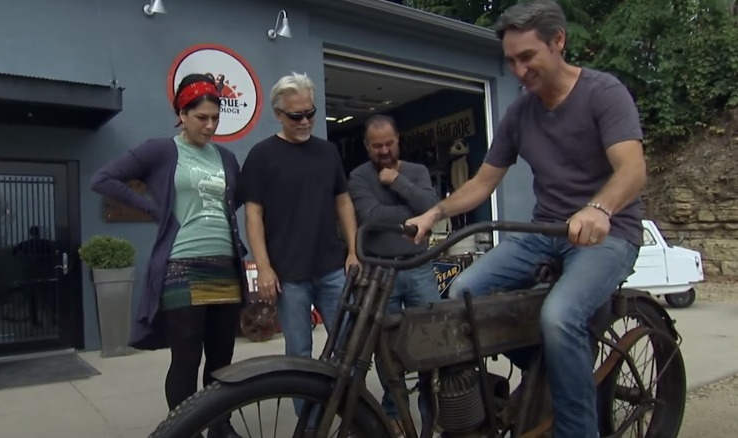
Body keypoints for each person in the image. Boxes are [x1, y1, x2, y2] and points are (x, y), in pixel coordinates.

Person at [404, 1, 647, 436]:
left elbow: (633, 169)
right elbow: (481, 183)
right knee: (461, 295)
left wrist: (599, 208)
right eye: (511, 61)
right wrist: (433, 213)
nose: (518, 71)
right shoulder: (519, 112)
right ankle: (551, 366)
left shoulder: (603, 92)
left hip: (607, 236)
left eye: (527, 57)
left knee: (559, 316)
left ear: (558, 42)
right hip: (543, 232)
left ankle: (576, 429)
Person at [90, 73, 246, 438]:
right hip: (182, 267)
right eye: (201, 118)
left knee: (222, 360)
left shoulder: (226, 156)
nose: (210, 126)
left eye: (215, 118)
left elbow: (236, 201)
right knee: (186, 358)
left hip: (225, 266)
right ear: (182, 114)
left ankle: (219, 426)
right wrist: (152, 209)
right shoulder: (161, 150)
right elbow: (103, 179)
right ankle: (183, 429)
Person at [238, 72, 358, 429]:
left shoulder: (327, 151)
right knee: (299, 357)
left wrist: (354, 250)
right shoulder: (262, 155)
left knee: (349, 350)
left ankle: (354, 420)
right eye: (296, 116)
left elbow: (344, 203)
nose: (305, 121)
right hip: (289, 273)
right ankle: (311, 427)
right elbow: (253, 215)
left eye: (310, 113)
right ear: (278, 113)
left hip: (333, 268)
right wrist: (263, 267)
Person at [347, 114, 441, 436]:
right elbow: (371, 216)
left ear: (398, 139)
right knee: (387, 351)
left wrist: (397, 182)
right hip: (380, 273)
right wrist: (413, 215)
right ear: (366, 146)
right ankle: (394, 415)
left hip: (419, 267)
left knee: (434, 342)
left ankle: (434, 413)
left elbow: (431, 206)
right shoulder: (358, 177)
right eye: (376, 146)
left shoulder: (416, 171)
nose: (384, 151)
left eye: (389, 143)